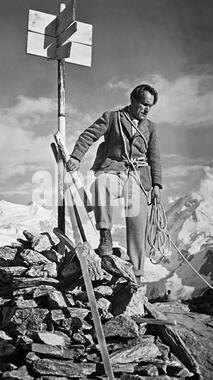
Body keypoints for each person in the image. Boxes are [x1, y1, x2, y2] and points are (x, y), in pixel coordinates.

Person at [66, 84, 162, 284]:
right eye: (144, 104)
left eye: (150, 106)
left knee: (138, 221)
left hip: (138, 177)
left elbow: (155, 157)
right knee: (102, 185)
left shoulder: (151, 127)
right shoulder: (112, 117)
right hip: (113, 170)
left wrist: (157, 186)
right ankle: (105, 237)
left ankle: (136, 274)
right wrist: (76, 157)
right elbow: (88, 135)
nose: (147, 109)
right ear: (133, 100)